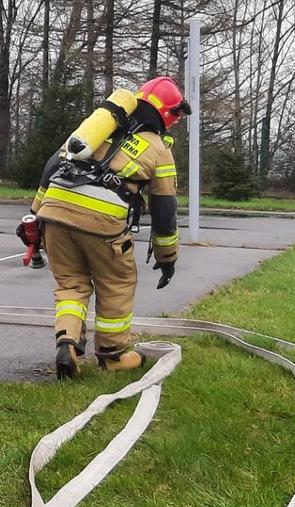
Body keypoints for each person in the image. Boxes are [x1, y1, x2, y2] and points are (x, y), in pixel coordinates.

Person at [31, 76, 187, 379]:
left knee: (71, 285)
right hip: (103, 226)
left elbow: (52, 166)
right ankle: (113, 355)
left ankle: (68, 342)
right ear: (170, 115)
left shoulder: (94, 129)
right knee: (116, 284)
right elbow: (165, 210)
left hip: (55, 215)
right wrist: (167, 257)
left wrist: (35, 215)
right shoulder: (158, 149)